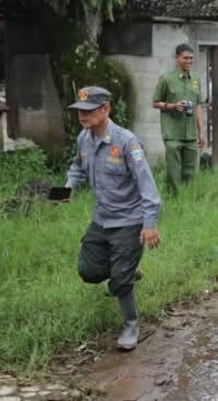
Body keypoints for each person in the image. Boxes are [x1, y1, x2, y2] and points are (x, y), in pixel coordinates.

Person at [65, 87, 161, 351]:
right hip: (102, 219)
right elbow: (77, 166)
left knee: (119, 281)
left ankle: (131, 324)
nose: (82, 117)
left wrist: (150, 224)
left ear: (105, 109)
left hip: (129, 221)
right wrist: (70, 185)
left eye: (88, 111)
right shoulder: (83, 139)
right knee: (88, 270)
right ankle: (127, 269)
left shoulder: (127, 143)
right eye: (79, 112)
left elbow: (148, 188)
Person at [151, 43, 206, 195]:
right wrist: (172, 106)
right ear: (177, 58)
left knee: (190, 172)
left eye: (191, 58)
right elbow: (155, 103)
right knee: (173, 173)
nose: (189, 61)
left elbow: (198, 106)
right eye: (185, 58)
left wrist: (201, 132)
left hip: (191, 134)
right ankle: (173, 199)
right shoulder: (166, 79)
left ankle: (187, 200)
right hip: (172, 134)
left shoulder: (196, 79)